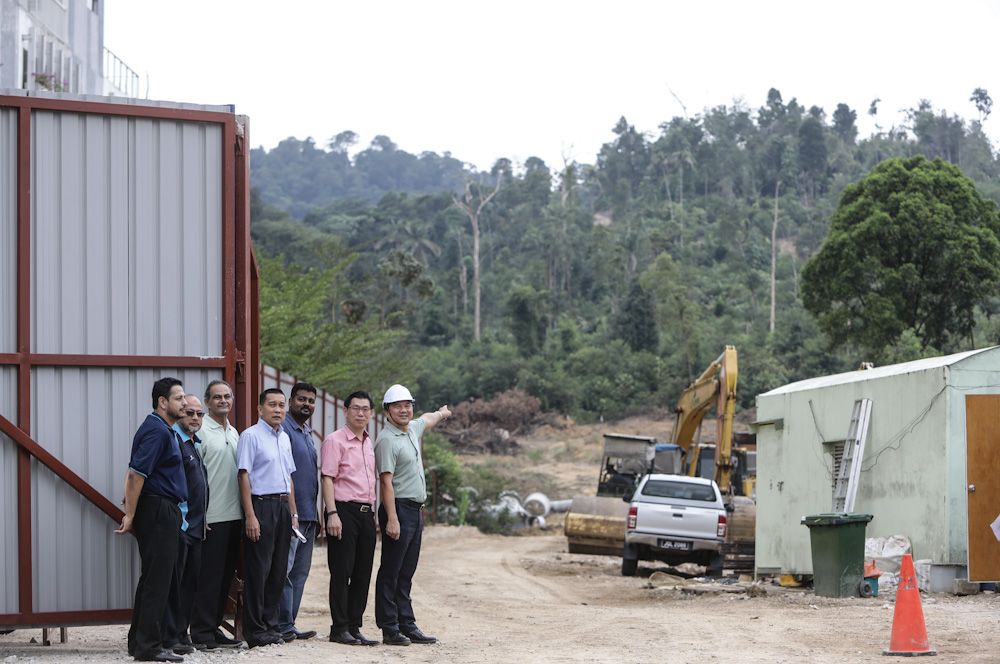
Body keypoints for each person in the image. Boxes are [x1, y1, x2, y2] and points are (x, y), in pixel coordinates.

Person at [117, 377, 188, 663]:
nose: (184, 402)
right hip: (159, 510)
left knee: (151, 579)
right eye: (179, 398)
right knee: (158, 581)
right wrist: (131, 514)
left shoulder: (162, 429)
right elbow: (136, 473)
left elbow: (135, 471)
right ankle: (149, 647)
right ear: (163, 402)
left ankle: (139, 642)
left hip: (160, 509)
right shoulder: (157, 431)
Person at [374, 384, 451, 646]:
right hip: (398, 509)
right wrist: (392, 518)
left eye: (408, 405)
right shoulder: (386, 440)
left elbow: (426, 420)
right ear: (387, 411)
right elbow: (386, 482)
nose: (404, 410)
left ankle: (407, 624)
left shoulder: (411, 430)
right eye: (398, 406)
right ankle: (389, 627)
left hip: (415, 510)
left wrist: (442, 413)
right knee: (391, 570)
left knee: (407, 571)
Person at [237, 388, 299, 648]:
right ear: (260, 408)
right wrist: (250, 515)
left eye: (281, 405)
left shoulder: (284, 437)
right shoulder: (250, 436)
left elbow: (289, 478)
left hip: (283, 508)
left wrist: (294, 514)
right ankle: (255, 630)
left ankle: (271, 626)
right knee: (258, 571)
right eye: (272, 405)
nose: (278, 410)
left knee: (278, 570)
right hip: (261, 506)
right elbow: (243, 476)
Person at [189, 380, 243, 650]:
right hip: (212, 518)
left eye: (227, 396)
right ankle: (200, 632)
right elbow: (194, 477)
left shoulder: (233, 432)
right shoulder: (202, 433)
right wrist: (201, 514)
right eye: (217, 397)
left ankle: (214, 627)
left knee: (225, 578)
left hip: (235, 517)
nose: (223, 401)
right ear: (207, 402)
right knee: (209, 578)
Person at [321, 391, 378, 646]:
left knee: (363, 572)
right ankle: (339, 628)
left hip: (366, 512)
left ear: (372, 413)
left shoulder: (368, 442)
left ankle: (354, 626)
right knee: (342, 571)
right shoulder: (335, 441)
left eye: (365, 409)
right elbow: (328, 478)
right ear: (346, 410)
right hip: (343, 510)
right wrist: (331, 513)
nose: (361, 413)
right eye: (356, 408)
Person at [163, 396, 209, 655]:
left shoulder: (194, 443)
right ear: (180, 415)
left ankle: (182, 632)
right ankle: (170, 636)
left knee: (190, 585)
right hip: (181, 527)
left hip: (197, 528)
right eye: (189, 413)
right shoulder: (175, 441)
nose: (195, 418)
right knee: (175, 586)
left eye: (199, 414)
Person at [277, 382, 320, 641]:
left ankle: (289, 623)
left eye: (311, 401)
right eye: (302, 399)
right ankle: (280, 624)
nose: (307, 404)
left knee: (300, 572)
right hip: (291, 513)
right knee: (285, 571)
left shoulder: (306, 432)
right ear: (291, 400)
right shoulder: (283, 430)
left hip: (308, 514)